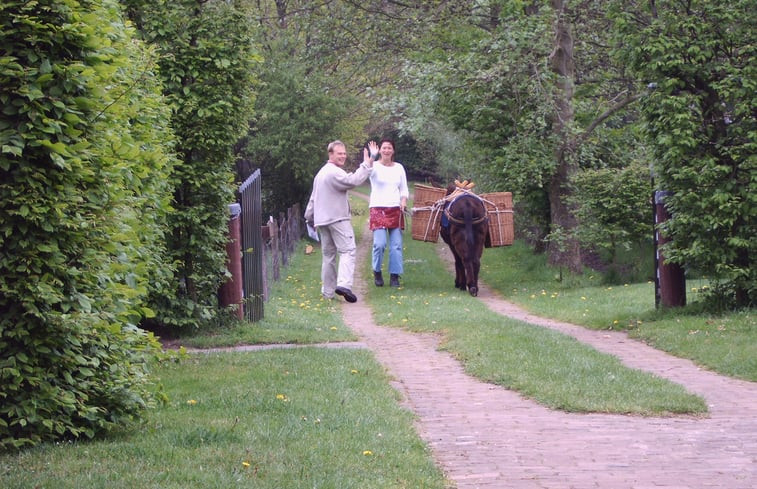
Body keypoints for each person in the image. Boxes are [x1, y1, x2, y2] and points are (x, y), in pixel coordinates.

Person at [304, 140, 377, 303]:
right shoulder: (333, 172)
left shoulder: (321, 173)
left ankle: (327, 292)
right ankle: (344, 285)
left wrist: (309, 217)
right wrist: (366, 164)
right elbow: (353, 181)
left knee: (328, 256)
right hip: (337, 219)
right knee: (348, 250)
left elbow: (313, 199)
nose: (343, 156)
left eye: (344, 153)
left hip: (322, 221)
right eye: (339, 153)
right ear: (331, 154)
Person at [368, 139, 409, 287]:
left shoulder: (399, 168)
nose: (386, 150)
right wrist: (372, 157)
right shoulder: (375, 167)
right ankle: (377, 271)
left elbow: (404, 189)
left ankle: (394, 276)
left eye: (389, 148)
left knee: (396, 245)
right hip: (378, 209)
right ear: (380, 150)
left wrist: (403, 201)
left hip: (395, 209)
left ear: (393, 151)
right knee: (379, 244)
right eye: (384, 148)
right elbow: (367, 170)